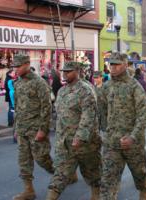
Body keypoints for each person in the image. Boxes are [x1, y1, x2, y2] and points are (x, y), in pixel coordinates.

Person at [46, 62, 101, 200]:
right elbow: (59, 116)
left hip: (84, 143)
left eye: (69, 71)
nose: (65, 73)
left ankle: (96, 194)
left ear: (77, 71)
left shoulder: (85, 90)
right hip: (65, 143)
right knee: (59, 174)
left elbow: (88, 115)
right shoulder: (62, 91)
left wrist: (80, 137)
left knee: (92, 172)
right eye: (64, 71)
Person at [100, 52, 146, 200]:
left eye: (117, 64)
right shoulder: (106, 87)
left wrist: (133, 137)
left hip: (133, 143)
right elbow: (101, 110)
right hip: (112, 143)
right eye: (111, 64)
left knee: (139, 174)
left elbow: (143, 116)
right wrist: (105, 131)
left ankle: (143, 191)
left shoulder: (135, 87)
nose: (113, 67)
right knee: (108, 182)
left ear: (125, 65)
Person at [12, 54, 54, 200]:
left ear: (27, 64)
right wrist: (16, 128)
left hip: (36, 129)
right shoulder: (17, 83)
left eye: (18, 66)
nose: (15, 69)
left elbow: (47, 107)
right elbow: (17, 107)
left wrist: (43, 129)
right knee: (24, 161)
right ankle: (29, 190)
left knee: (42, 158)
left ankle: (60, 174)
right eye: (14, 67)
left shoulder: (39, 83)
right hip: (22, 128)